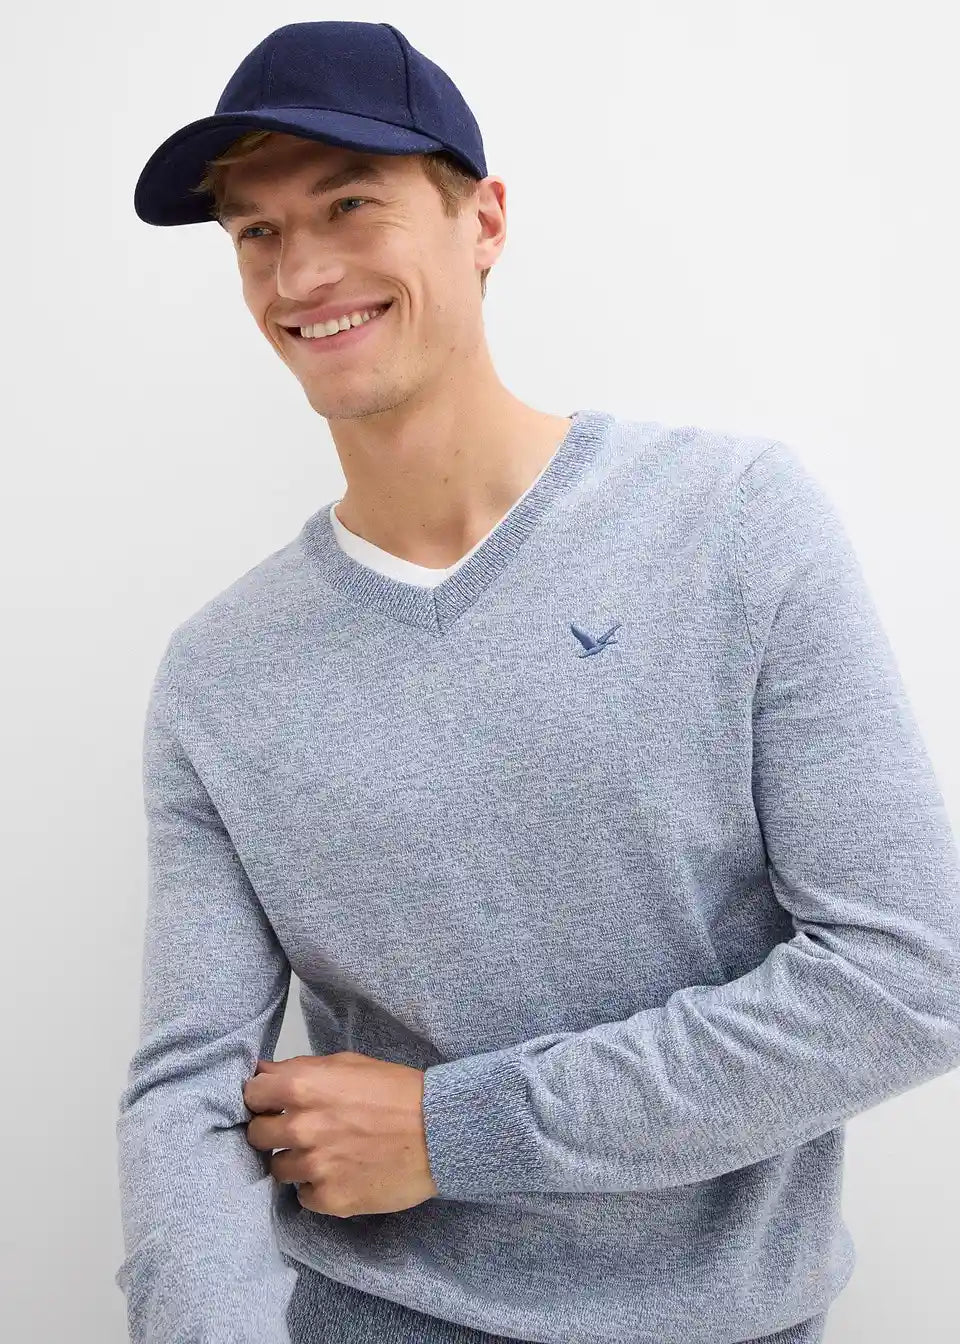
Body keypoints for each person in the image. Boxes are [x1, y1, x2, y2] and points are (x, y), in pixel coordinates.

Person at [114, 20, 960, 1344]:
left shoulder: (732, 524)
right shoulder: (220, 675)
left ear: (485, 221)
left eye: (349, 204)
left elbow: (910, 977)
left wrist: (455, 1131)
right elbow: (190, 1095)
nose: (301, 270)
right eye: (256, 232)